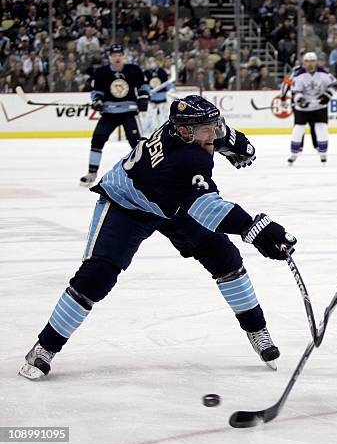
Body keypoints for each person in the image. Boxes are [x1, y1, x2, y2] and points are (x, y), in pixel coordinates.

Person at [20, 96, 296, 380]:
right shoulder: (186, 159)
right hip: (128, 203)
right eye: (207, 130)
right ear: (186, 133)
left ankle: (256, 330)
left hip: (173, 202)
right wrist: (257, 229)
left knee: (225, 259)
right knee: (96, 276)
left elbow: (222, 133)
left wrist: (232, 141)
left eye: (214, 126)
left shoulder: (188, 130)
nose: (213, 134)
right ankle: (45, 347)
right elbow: (209, 208)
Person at [80, 44, 149, 187]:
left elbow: (143, 86)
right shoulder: (101, 72)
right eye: (114, 55)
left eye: (119, 55)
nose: (117, 58)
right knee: (97, 139)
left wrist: (143, 98)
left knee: (136, 143)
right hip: (109, 114)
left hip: (129, 113)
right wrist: (97, 101)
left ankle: (145, 173)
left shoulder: (133, 70)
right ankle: (92, 173)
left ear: (123, 56)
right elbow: (96, 91)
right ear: (110, 57)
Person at [287, 52, 337, 164]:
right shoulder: (298, 75)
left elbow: (334, 84)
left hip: (319, 107)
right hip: (303, 109)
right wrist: (300, 100)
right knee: (298, 130)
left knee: (322, 128)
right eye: (307, 61)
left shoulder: (323, 73)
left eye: (312, 61)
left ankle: (323, 153)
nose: (310, 64)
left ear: (316, 62)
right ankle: (294, 154)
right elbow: (295, 92)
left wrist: (327, 95)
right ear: (303, 63)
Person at [143, 56, 174, 136]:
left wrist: (170, 88)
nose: (152, 64)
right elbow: (144, 85)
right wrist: (147, 91)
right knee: (151, 117)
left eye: (153, 61)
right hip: (151, 100)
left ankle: (164, 132)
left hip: (162, 99)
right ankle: (151, 134)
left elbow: (168, 83)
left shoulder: (161, 71)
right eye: (150, 62)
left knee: (163, 117)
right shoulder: (146, 73)